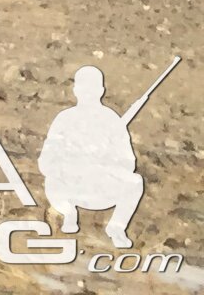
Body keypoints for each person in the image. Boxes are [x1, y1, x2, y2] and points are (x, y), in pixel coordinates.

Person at [37, 65, 146, 246]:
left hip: (101, 187)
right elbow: (47, 159)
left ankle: (117, 228)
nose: (88, 93)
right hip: (71, 184)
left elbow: (128, 161)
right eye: (83, 88)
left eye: (92, 88)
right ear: (75, 90)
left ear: (101, 91)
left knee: (135, 182)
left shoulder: (111, 120)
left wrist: (105, 161)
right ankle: (69, 214)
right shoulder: (64, 118)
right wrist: (69, 164)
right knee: (51, 181)